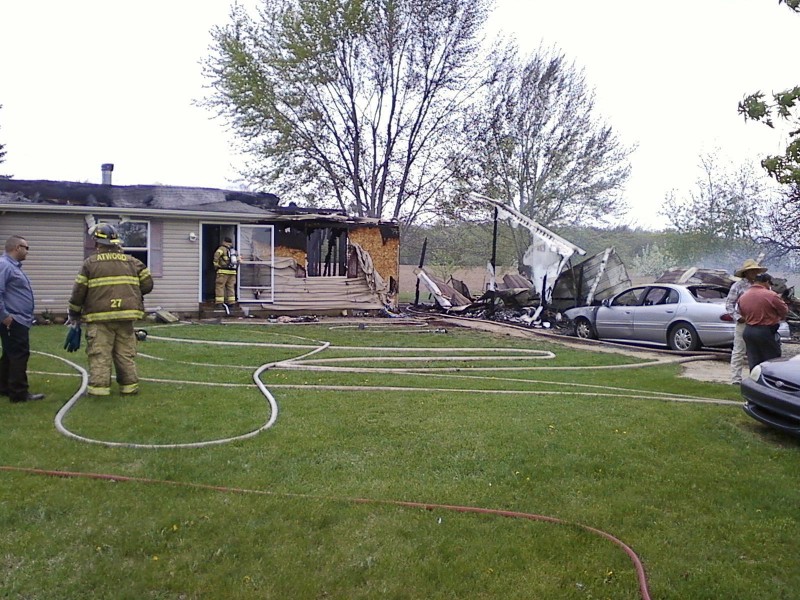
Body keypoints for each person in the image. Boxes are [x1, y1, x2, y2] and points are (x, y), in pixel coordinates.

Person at [68, 223, 153, 397]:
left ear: (97, 243)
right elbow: (148, 284)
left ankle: (99, 391)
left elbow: (79, 291)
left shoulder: (90, 263)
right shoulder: (133, 262)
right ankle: (129, 388)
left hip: (99, 318)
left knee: (100, 353)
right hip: (126, 316)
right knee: (125, 353)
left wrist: (74, 312)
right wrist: (131, 293)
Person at [0, 235, 45, 403]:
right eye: (26, 248)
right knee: (19, 354)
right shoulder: (4, 265)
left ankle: (4, 387)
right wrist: (4, 316)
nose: (28, 252)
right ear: (17, 248)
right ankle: (19, 393)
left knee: (9, 354)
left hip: (18, 318)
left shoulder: (13, 267)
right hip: (13, 319)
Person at [725, 259, 767, 384]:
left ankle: (755, 378)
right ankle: (736, 379)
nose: (754, 272)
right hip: (744, 322)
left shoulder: (760, 285)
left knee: (757, 351)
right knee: (739, 350)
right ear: (746, 273)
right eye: (752, 270)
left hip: (759, 322)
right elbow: (729, 304)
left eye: (756, 270)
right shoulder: (738, 286)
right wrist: (738, 317)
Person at [738, 272, 789, 370]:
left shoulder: (744, 296)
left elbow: (742, 312)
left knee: (754, 361)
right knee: (772, 361)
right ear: (766, 282)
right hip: (765, 332)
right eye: (770, 283)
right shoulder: (771, 295)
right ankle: (770, 383)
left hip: (748, 331)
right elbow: (784, 310)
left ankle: (755, 382)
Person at [213, 236, 238, 308]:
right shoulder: (233, 250)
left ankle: (219, 303)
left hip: (222, 272)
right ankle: (231, 302)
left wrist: (216, 265)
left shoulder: (221, 249)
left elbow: (216, 256)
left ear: (224, 242)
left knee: (220, 286)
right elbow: (238, 260)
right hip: (232, 272)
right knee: (230, 287)